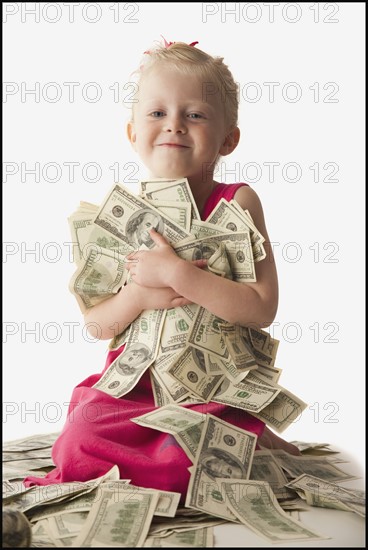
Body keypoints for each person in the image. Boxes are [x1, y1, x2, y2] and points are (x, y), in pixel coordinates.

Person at [24, 39, 299, 497]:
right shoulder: (117, 219)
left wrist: (178, 274)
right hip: (136, 388)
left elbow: (261, 307)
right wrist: (139, 295)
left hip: (211, 389)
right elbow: (97, 324)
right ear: (133, 133)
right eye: (157, 113)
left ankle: (253, 437)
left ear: (228, 138)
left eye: (195, 114)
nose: (174, 125)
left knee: (189, 459)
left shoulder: (236, 203)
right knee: (77, 442)